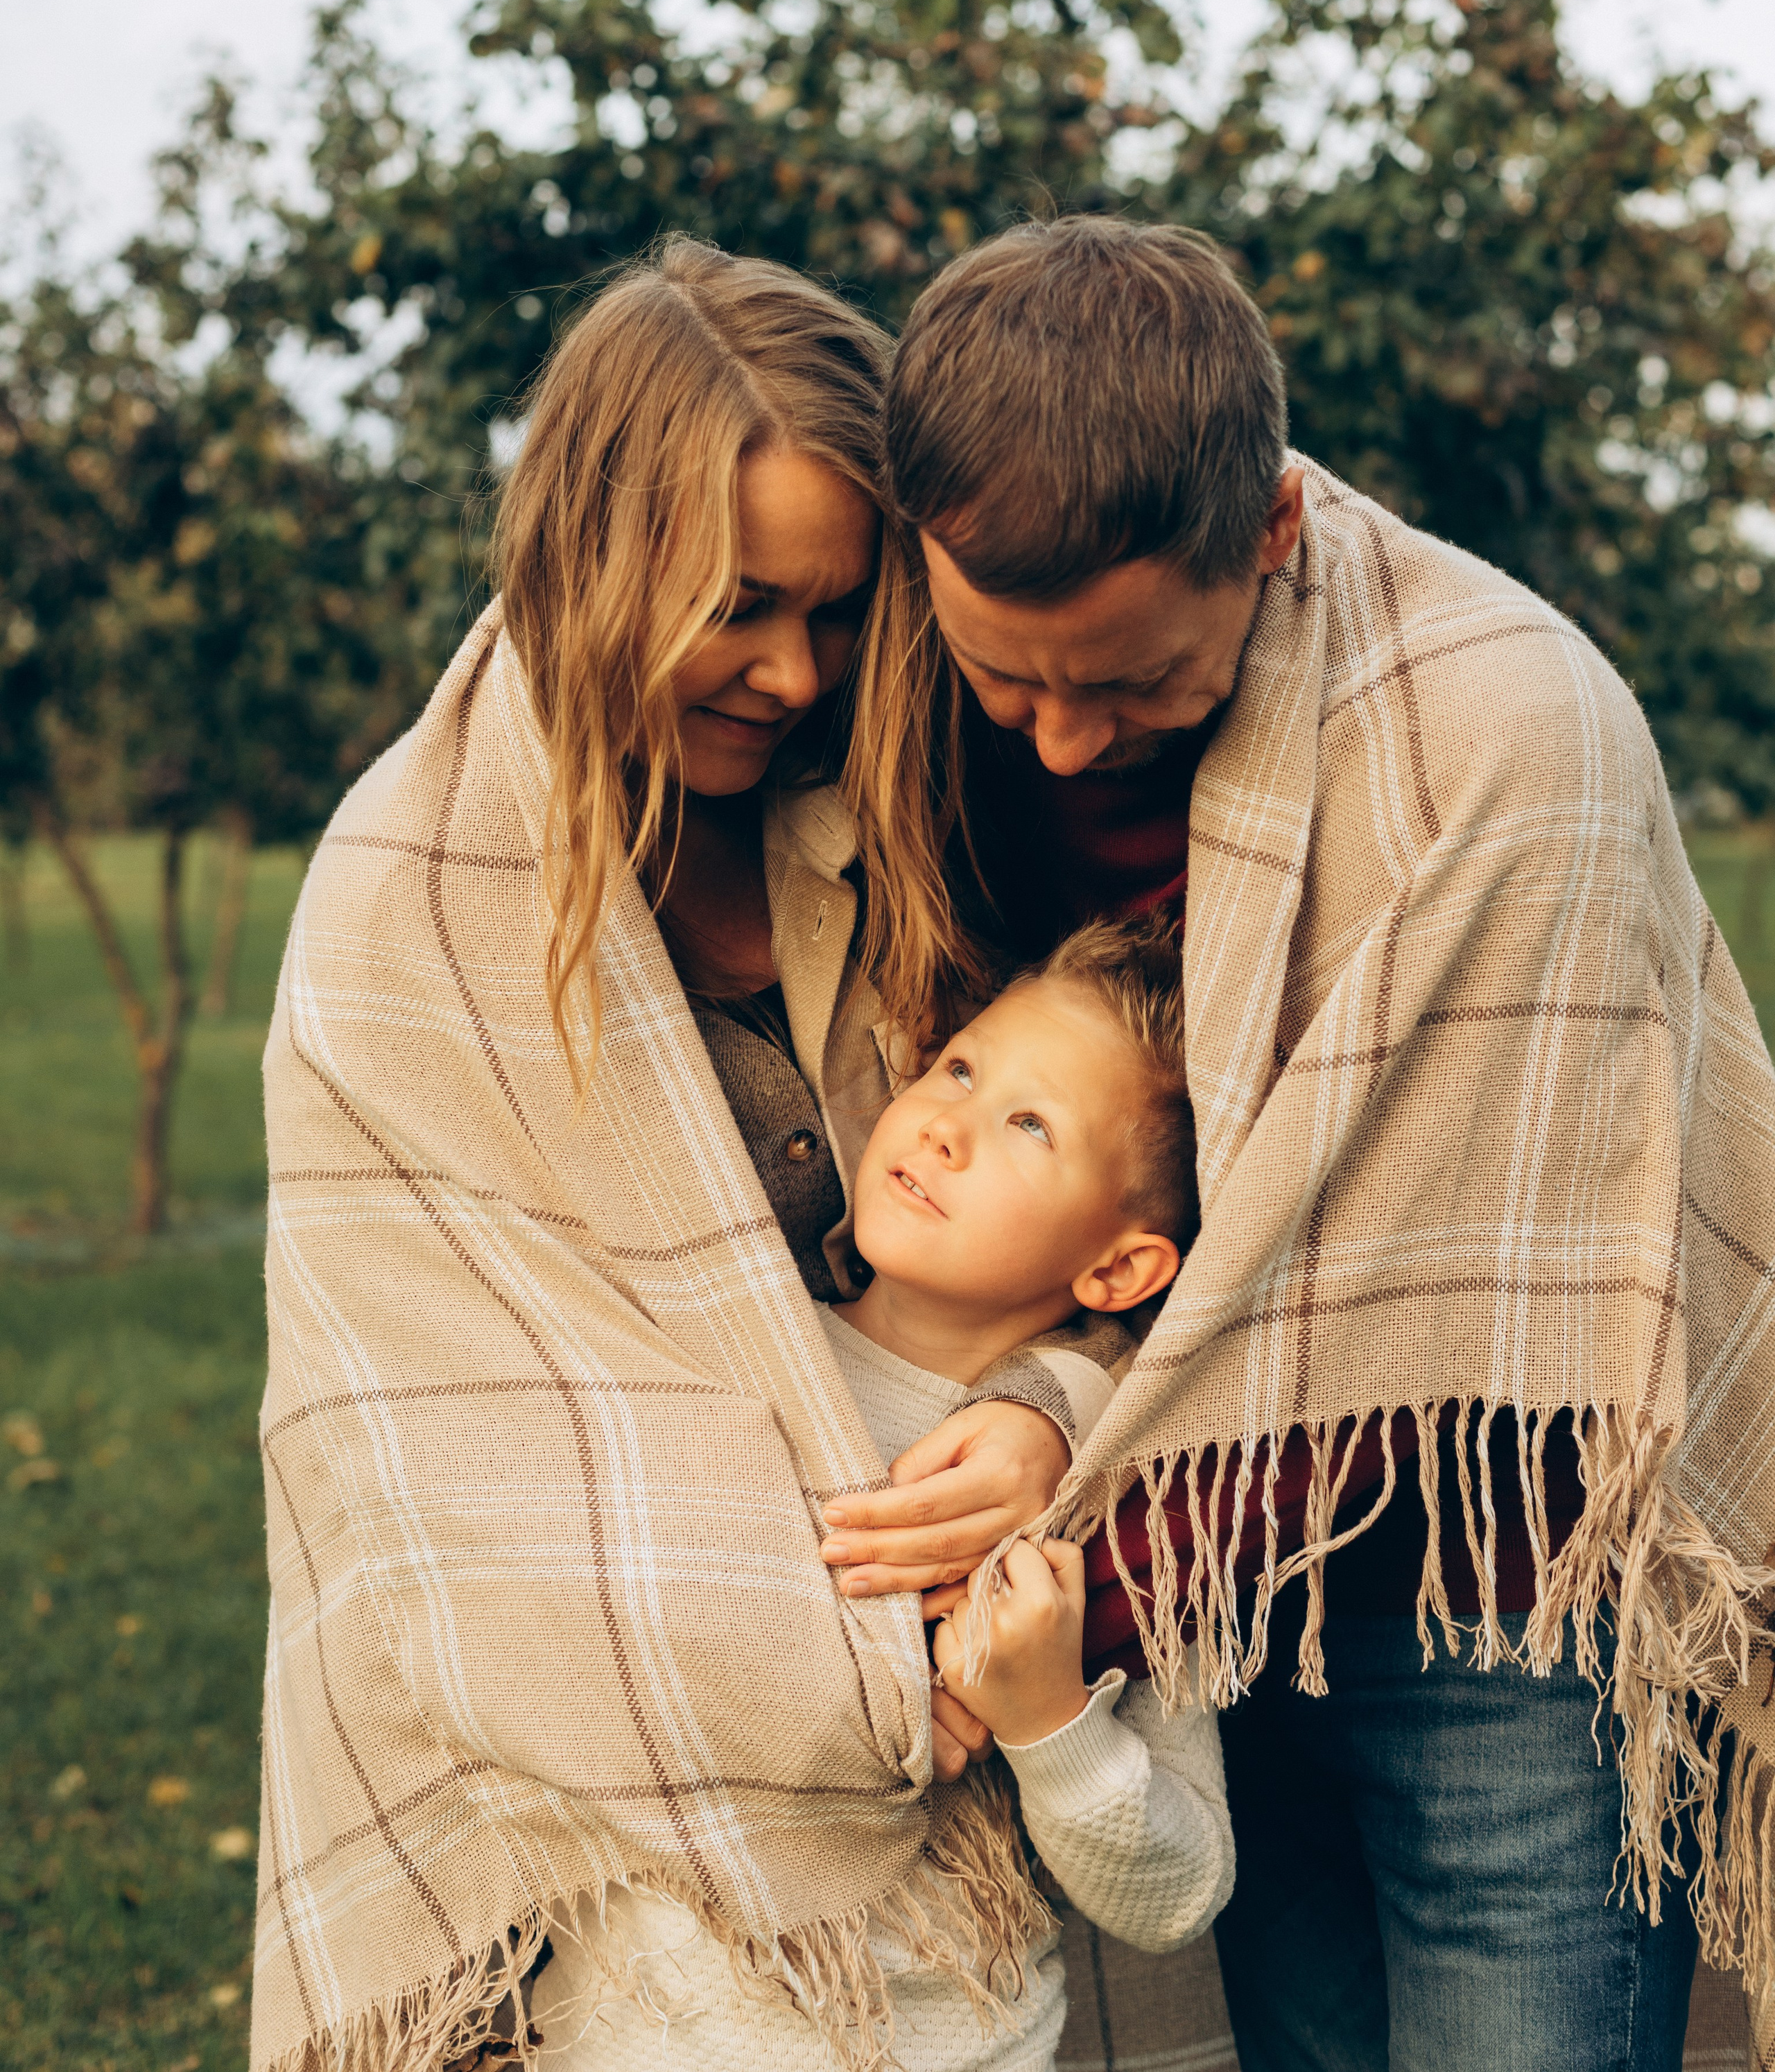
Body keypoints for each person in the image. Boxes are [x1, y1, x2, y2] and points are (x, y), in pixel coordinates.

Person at [817, 214, 1775, 2071]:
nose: (1072, 740)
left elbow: (1360, 1273)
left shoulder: (1506, 734)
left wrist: (1061, 1526)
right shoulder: (911, 690)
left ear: (1269, 531)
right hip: (1231, 1600)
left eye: (1140, 684)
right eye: (1015, 677)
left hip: (1508, 1582)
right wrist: (1053, 1403)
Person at [250, 240, 1114, 2072]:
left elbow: (1118, 1201)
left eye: (837, 605)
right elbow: (427, 1461)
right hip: (635, 1835)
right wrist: (855, 1680)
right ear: (591, 560)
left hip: (981, 1787)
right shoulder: (409, 910)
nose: (793, 671)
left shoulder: (904, 815)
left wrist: (1049, 1402)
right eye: (735, 604)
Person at [532, 910, 1233, 2065]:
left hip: (949, 2038)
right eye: (961, 1066)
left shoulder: (1112, 1500)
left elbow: (1177, 1889)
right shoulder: (712, 1363)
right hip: (643, 2028)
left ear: (1116, 1266)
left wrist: (1046, 1719)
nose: (948, 1123)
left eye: (1029, 1123)